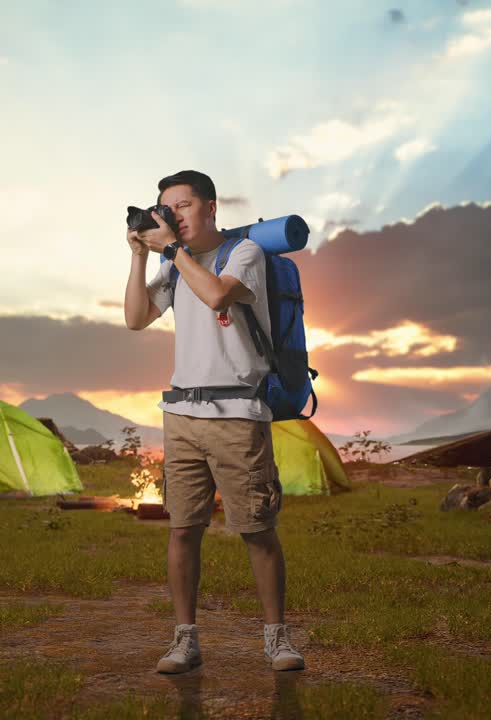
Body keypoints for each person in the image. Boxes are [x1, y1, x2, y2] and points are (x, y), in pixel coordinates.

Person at [124, 169, 305, 674]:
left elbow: (220, 295)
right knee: (182, 530)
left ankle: (277, 639)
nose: (172, 215)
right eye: (166, 207)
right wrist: (140, 256)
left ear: (210, 207)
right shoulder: (173, 265)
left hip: (238, 415)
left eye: (182, 206)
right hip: (181, 414)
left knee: (256, 530)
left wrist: (169, 252)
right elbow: (136, 318)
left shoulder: (243, 254)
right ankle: (185, 640)